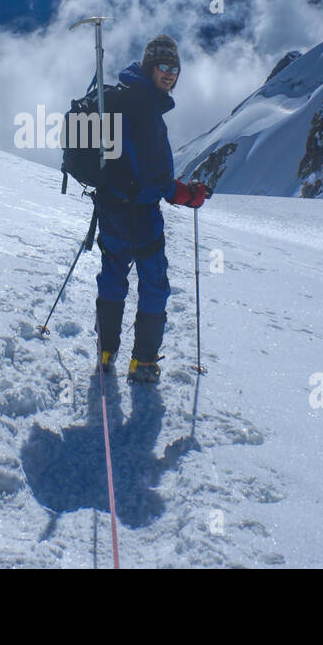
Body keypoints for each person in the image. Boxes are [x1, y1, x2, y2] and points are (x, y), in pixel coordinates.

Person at [95, 34, 207, 383]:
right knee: (154, 285)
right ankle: (143, 363)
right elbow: (157, 179)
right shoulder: (146, 108)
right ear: (149, 66)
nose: (170, 73)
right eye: (163, 66)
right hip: (140, 214)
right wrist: (190, 196)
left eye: (175, 68)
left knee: (113, 279)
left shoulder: (123, 98)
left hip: (111, 207)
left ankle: (106, 351)